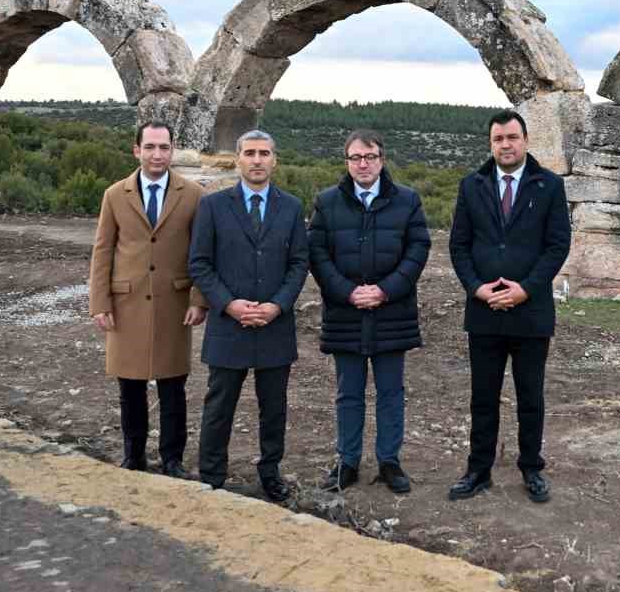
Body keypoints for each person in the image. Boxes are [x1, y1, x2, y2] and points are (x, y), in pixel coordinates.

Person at [446, 109, 571, 504]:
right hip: (483, 311)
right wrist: (477, 289)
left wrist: (527, 289)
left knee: (530, 396)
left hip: (530, 312)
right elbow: (459, 246)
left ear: (526, 140)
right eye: (498, 139)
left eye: (512, 137)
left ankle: (531, 468)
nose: (506, 145)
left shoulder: (548, 186)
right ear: (491, 143)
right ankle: (478, 470)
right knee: (483, 396)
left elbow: (557, 246)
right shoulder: (472, 186)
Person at [188, 129, 309, 502]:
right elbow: (200, 263)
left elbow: (299, 263)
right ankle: (211, 474)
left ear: (275, 160)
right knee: (219, 403)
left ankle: (270, 473)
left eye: (265, 153)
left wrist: (276, 305)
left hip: (275, 324)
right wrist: (229, 304)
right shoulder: (212, 206)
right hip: (229, 323)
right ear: (238, 159)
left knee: (273, 407)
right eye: (250, 153)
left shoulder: (291, 207)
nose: (257, 160)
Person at [307, 129, 431, 495]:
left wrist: (385, 290)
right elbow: (318, 254)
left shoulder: (407, 201)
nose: (363, 164)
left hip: (392, 312)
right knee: (349, 392)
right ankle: (347, 462)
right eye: (356, 157)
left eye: (370, 156)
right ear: (346, 162)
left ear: (382, 159)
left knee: (391, 391)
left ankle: (389, 462)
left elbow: (417, 250)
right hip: (346, 314)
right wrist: (348, 292)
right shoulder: (327, 202)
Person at [88, 120, 206, 478]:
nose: (158, 154)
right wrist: (100, 303)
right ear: (136, 150)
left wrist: (199, 299)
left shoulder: (194, 195)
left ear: (172, 150)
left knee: (173, 387)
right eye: (150, 147)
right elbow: (102, 251)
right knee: (131, 387)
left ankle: (172, 460)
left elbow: (202, 252)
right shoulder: (114, 195)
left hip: (174, 304)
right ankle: (133, 456)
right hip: (127, 304)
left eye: (164, 147)